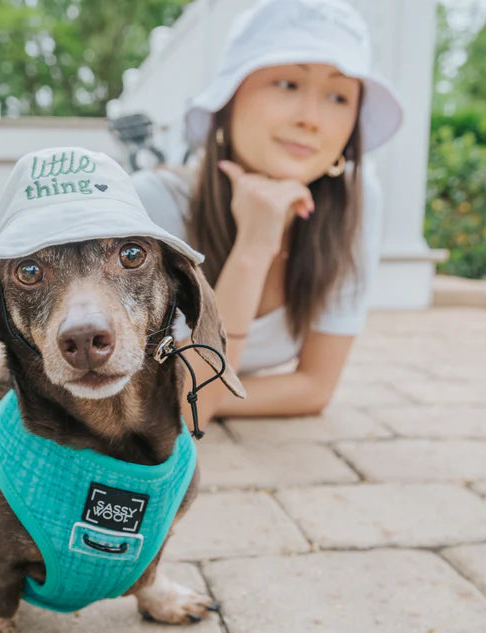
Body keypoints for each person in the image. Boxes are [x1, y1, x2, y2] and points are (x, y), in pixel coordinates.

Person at [131, 0, 403, 429]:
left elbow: (314, 387)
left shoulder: (355, 201)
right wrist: (254, 248)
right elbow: (182, 405)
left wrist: (199, 396)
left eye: (338, 96)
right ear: (230, 97)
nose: (311, 119)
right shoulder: (157, 205)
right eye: (287, 83)